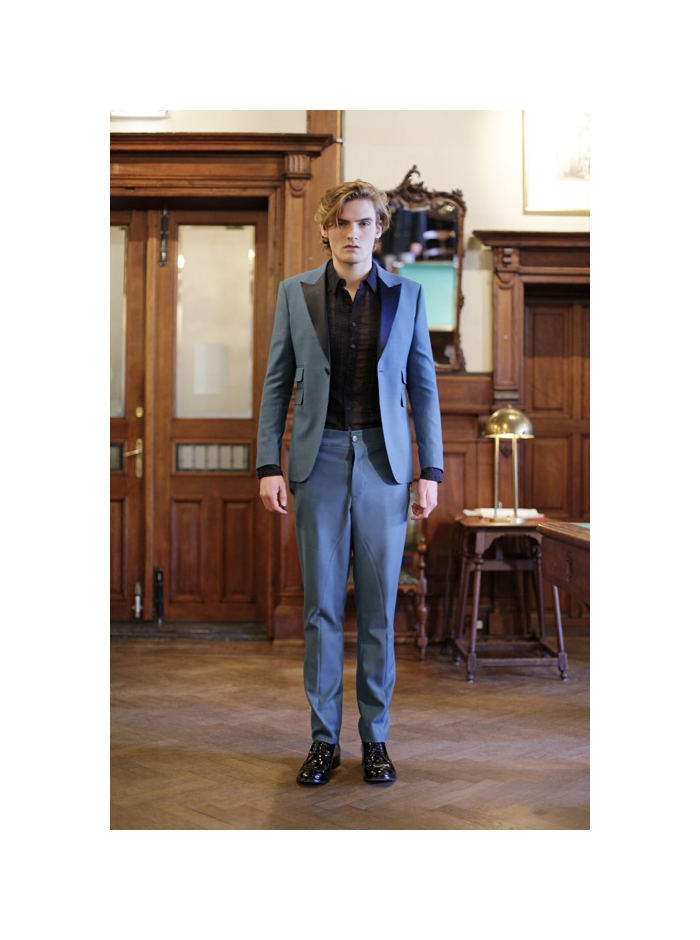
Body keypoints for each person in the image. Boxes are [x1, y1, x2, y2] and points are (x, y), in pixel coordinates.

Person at [256, 179, 443, 786]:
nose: (352, 233)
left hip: (386, 467)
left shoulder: (408, 295)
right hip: (319, 462)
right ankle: (323, 742)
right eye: (341, 223)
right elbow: (276, 382)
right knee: (321, 609)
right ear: (326, 230)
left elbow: (423, 388)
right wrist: (268, 464)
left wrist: (431, 471)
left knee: (380, 611)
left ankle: (376, 740)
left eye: (363, 222)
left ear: (379, 230)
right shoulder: (295, 293)